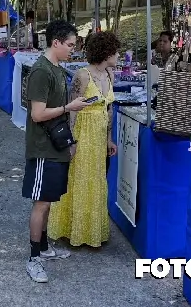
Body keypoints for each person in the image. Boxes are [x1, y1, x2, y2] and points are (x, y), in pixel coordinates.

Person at [22, 20, 91, 283]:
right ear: (56, 43)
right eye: (71, 45)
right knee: (41, 203)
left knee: (48, 199)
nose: (73, 50)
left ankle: (43, 248)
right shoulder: (42, 71)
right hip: (43, 148)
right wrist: (69, 107)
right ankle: (33, 258)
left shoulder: (56, 68)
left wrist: (69, 140)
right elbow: (38, 114)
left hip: (56, 145)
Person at [48, 31, 120, 248]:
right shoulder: (82, 75)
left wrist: (108, 138)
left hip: (99, 136)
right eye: (115, 52)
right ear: (106, 52)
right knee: (77, 179)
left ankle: (91, 230)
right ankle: (72, 230)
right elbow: (72, 111)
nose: (118, 56)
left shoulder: (110, 75)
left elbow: (109, 109)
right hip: (82, 132)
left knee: (96, 180)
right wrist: (72, 141)